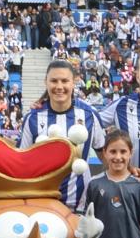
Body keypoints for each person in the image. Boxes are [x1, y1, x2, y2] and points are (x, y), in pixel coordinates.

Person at [19, 59, 107, 212]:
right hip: (42, 204)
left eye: (65, 81)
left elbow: (104, 154)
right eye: (54, 81)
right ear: (45, 82)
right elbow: (22, 162)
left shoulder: (89, 115)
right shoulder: (32, 118)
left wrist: (128, 170)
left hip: (80, 206)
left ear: (74, 82)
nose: (59, 86)